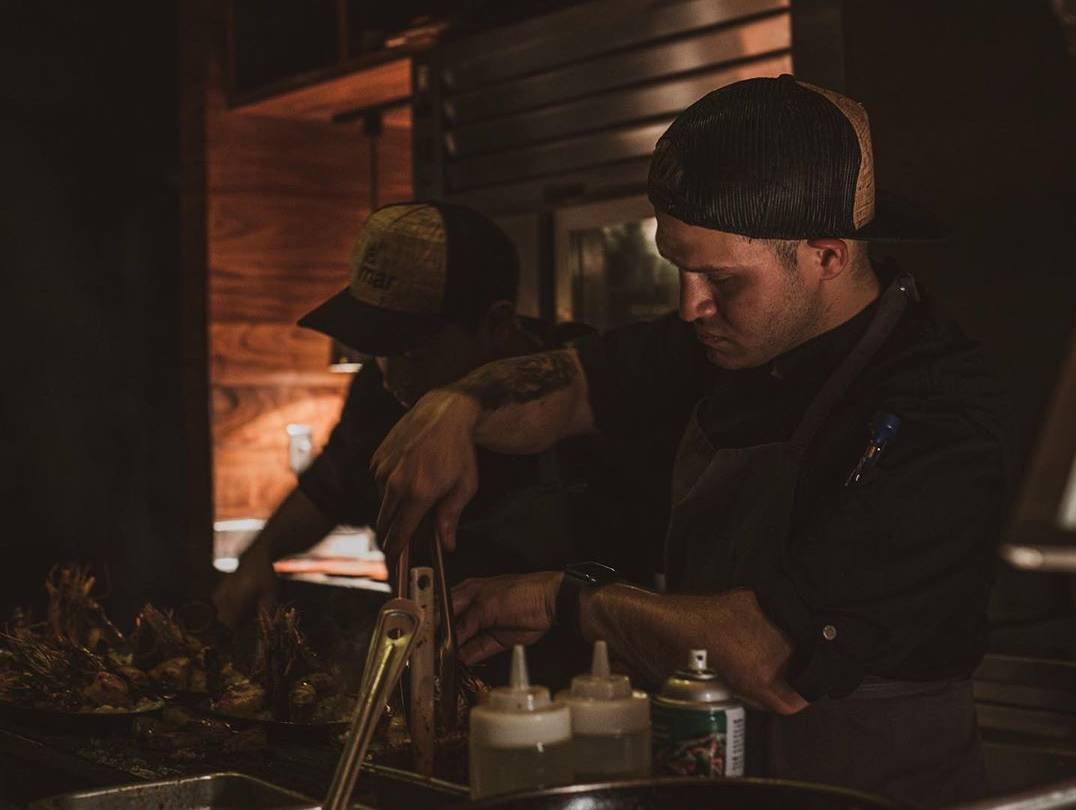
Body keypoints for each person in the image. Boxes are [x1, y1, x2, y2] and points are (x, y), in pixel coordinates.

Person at [369, 77, 1007, 807]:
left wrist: (566, 600)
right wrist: (458, 405)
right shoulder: (727, 340)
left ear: (827, 256)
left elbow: (766, 652)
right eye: (678, 267)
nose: (690, 305)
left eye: (719, 279)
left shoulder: (936, 409)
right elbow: (572, 383)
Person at [212, 201, 653, 684]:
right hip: (429, 684)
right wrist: (259, 556)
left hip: (580, 699)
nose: (390, 375)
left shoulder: (592, 394)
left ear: (498, 324)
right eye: (379, 353)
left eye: (413, 353)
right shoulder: (378, 392)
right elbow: (330, 487)